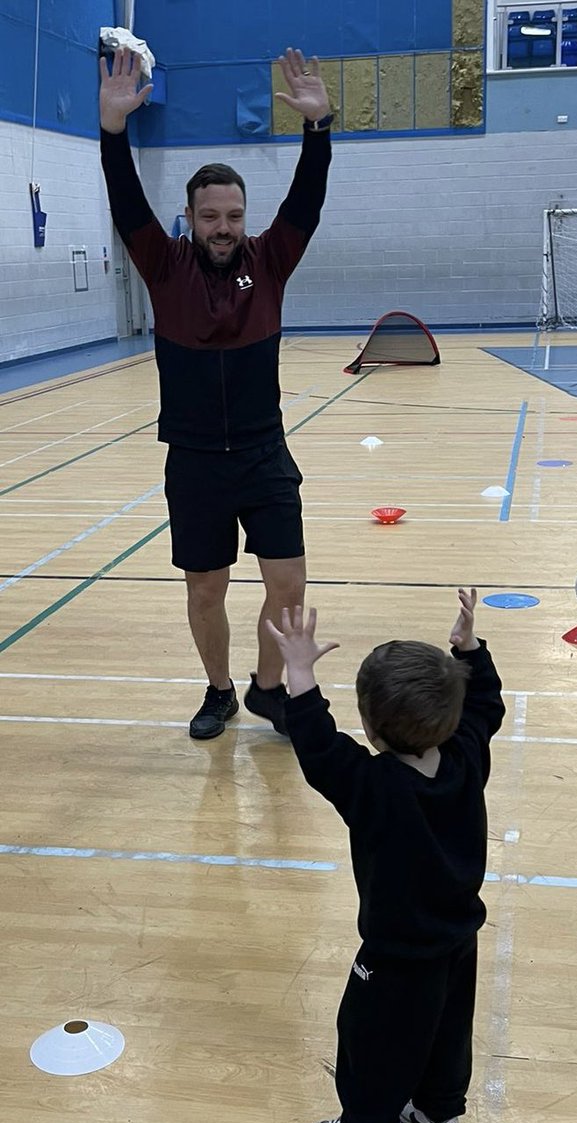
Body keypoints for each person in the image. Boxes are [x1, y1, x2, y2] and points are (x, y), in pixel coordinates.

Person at [99, 47, 334, 740]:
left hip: (264, 455)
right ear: (190, 217)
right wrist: (113, 132)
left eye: (233, 215)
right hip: (196, 462)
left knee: (288, 585)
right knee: (207, 589)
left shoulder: (270, 260)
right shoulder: (163, 266)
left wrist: (318, 130)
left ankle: (269, 689)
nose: (224, 227)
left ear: (245, 217)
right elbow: (125, 203)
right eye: (210, 217)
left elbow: (307, 203)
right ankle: (220, 690)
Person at [267, 589, 505, 1123]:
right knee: (448, 1030)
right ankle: (439, 1115)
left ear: (371, 730)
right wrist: (470, 649)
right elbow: (486, 704)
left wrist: (299, 671)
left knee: (372, 1039)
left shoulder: (372, 786)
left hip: (396, 952)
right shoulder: (467, 753)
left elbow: (317, 745)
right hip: (459, 939)